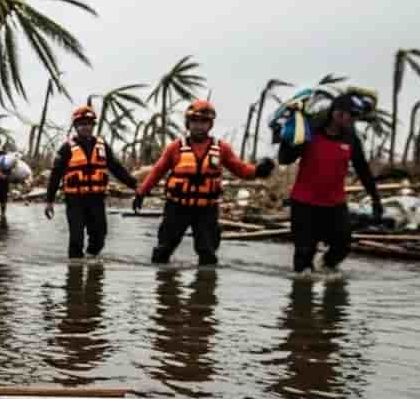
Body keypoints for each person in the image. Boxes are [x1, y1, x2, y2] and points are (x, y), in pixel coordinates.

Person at [134, 100, 274, 266]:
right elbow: (157, 171)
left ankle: (205, 289)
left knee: (207, 253)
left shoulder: (222, 148)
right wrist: (141, 193)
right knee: (163, 249)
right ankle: (164, 287)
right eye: (195, 121)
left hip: (206, 209)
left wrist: (259, 171)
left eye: (204, 122)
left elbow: (241, 169)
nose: (199, 126)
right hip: (177, 207)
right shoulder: (175, 148)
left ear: (210, 125)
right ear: (188, 123)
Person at [277, 91, 383, 277]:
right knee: (304, 255)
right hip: (304, 204)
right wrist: (287, 140)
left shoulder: (350, 139)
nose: (354, 121)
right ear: (337, 113)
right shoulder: (310, 131)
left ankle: (325, 267)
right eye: (352, 116)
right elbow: (285, 159)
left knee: (343, 245)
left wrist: (376, 199)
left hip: (334, 205)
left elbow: (363, 170)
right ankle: (301, 298)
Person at [45, 105, 139, 258]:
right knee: (76, 238)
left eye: (89, 123)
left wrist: (135, 185)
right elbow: (55, 175)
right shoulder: (66, 148)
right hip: (75, 200)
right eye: (82, 124)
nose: (86, 127)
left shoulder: (102, 146)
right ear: (76, 126)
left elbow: (116, 168)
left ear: (93, 125)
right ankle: (74, 274)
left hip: (96, 199)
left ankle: (90, 260)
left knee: (99, 237)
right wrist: (49, 201)